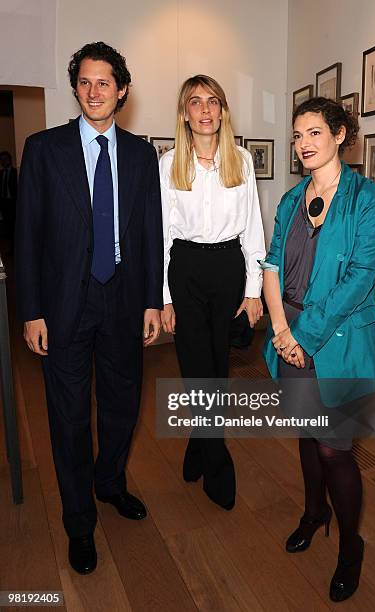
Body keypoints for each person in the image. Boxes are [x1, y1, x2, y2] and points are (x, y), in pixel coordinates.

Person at [15, 42, 163, 574]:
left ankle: (109, 483)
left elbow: (150, 233)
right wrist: (31, 310)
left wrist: (151, 300)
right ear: (75, 88)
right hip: (63, 305)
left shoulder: (143, 155)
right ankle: (79, 521)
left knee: (123, 406)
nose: (94, 91)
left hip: (124, 298)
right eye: (85, 82)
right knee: (70, 417)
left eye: (105, 82)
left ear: (122, 90)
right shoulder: (43, 149)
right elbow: (26, 235)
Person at [261, 97, 375, 602]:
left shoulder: (366, 198)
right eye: (297, 135)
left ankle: (350, 548)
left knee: (335, 449)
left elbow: (360, 279)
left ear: (339, 135)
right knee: (306, 433)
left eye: (314, 132)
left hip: (338, 343)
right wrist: (278, 328)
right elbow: (271, 265)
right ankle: (314, 514)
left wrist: (301, 336)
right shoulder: (291, 200)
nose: (303, 144)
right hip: (286, 331)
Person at [160, 75, 265, 510]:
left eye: (213, 101)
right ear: (184, 113)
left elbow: (254, 228)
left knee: (217, 369)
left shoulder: (240, 160)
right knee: (194, 368)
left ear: (222, 110)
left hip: (227, 269)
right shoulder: (167, 165)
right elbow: (162, 237)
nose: (205, 110)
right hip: (184, 268)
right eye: (195, 102)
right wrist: (163, 296)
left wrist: (254, 289)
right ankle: (217, 462)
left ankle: (197, 444)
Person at [0, 150, 18, 250]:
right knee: (8, 227)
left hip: (13, 203)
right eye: (1, 160)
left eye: (5, 159)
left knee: (14, 226)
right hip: (4, 203)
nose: (3, 162)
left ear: (10, 160)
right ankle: (11, 247)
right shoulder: (1, 173)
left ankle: (15, 247)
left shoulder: (15, 172)